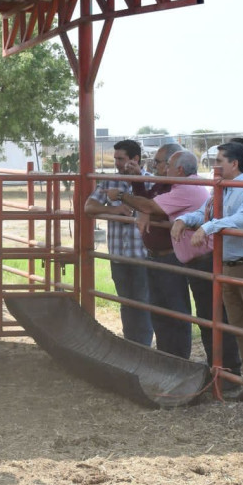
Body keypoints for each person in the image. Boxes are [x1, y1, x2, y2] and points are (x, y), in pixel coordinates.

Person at [113, 149, 242, 372]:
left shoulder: (185, 187)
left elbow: (151, 206)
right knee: (206, 317)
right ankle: (215, 369)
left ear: (179, 170)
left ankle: (224, 371)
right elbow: (151, 204)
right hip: (197, 260)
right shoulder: (185, 186)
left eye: (165, 165)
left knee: (212, 318)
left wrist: (122, 196)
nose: (162, 170)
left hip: (204, 260)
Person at [173, 141, 243, 398]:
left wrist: (208, 227)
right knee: (239, 325)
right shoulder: (223, 188)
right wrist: (184, 220)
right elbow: (206, 211)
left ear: (234, 163)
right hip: (230, 265)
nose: (214, 166)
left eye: (219, 161)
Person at [84, 139, 153, 346]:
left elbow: (157, 208)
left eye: (121, 159)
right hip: (118, 254)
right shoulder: (109, 181)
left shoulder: (150, 181)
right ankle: (131, 345)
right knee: (125, 303)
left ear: (135, 159)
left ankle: (143, 347)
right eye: (115, 159)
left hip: (142, 254)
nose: (117, 163)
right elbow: (89, 206)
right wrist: (114, 210)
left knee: (142, 303)